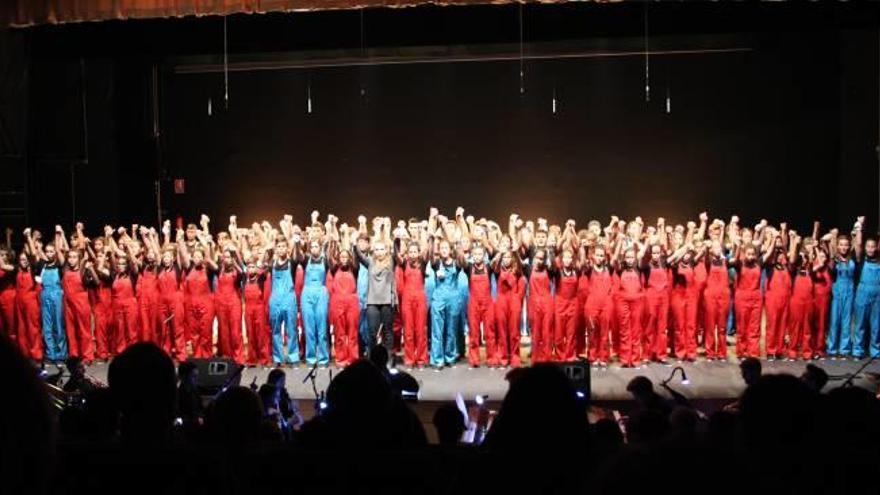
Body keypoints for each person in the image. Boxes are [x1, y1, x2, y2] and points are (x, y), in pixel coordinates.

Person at [354, 217, 398, 365]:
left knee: (387, 331)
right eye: (377, 249)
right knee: (372, 333)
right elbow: (359, 254)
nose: (379, 251)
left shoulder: (391, 261)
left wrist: (386, 232)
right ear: (374, 250)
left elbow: (395, 248)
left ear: (386, 250)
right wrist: (354, 240)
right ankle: (373, 360)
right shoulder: (370, 262)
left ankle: (389, 359)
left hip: (386, 301)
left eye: (382, 249)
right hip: (372, 302)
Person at [492, 245, 525, 367]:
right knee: (502, 330)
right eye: (505, 257)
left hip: (513, 301)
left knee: (514, 330)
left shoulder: (517, 270)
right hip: (501, 301)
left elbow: (521, 266)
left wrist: (515, 253)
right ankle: (503, 357)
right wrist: (500, 253)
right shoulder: (497, 270)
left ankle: (515, 357)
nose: (506, 259)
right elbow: (494, 265)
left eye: (508, 257)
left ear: (512, 259)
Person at [398, 238, 429, 367]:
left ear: (418, 253)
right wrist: (398, 242)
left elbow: (428, 251)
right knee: (408, 331)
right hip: (407, 300)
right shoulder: (404, 263)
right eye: (410, 252)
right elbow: (396, 254)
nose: (412, 254)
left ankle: (421, 359)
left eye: (415, 251)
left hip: (420, 299)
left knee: (420, 330)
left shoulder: (423, 263)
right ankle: (410, 359)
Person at [300, 235, 330, 367]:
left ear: (320, 247)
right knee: (309, 328)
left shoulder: (326, 260)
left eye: (316, 246)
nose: (314, 249)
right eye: (311, 246)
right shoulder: (306, 259)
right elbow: (296, 256)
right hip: (307, 294)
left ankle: (323, 358)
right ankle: (311, 358)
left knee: (322, 328)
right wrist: (296, 242)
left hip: (321, 293)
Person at [827, 226, 857, 358]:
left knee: (846, 322)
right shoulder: (834, 260)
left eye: (846, 245)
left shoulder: (853, 259)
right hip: (837, 294)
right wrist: (833, 239)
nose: (843, 247)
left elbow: (858, 246)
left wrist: (855, 235)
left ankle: (844, 350)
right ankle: (832, 349)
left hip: (849, 293)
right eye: (841, 245)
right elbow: (831, 267)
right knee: (834, 322)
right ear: (838, 246)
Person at [465, 244, 495, 367]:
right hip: (474, 303)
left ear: (484, 256)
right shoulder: (469, 267)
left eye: (480, 254)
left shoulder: (489, 267)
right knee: (474, 332)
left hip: (487, 303)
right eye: (475, 254)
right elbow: (460, 260)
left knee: (490, 332)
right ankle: (474, 359)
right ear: (472, 255)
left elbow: (496, 255)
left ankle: (491, 358)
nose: (477, 257)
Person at [215, 246, 244, 363]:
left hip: (234, 303)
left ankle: (238, 358)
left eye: (229, 257)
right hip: (221, 304)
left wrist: (235, 261)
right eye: (225, 257)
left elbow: (243, 273)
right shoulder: (220, 270)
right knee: (224, 332)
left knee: (236, 332)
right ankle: (227, 357)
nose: (226, 259)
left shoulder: (237, 271)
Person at [14, 250, 42, 361]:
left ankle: (36, 353)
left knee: (32, 328)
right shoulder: (18, 271)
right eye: (21, 259)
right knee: (21, 329)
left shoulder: (33, 272)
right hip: (19, 302)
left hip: (31, 303)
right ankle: (24, 353)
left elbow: (34, 258)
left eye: (25, 259)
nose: (24, 262)